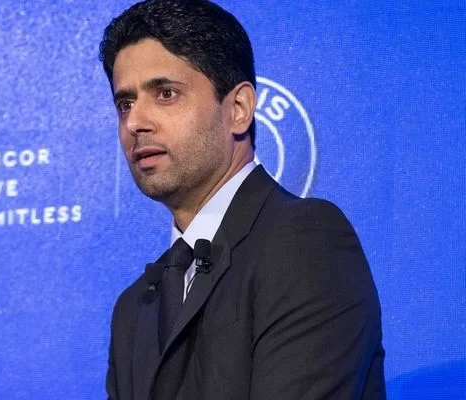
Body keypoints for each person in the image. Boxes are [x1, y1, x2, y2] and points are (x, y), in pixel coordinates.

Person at [98, 1, 386, 399]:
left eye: (165, 93)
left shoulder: (304, 242)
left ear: (238, 109)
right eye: (125, 104)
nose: (135, 123)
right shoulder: (133, 309)